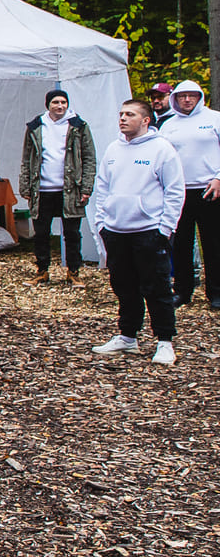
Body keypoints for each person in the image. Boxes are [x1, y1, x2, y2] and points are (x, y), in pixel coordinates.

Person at [90, 99, 183, 365]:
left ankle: (165, 341)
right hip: (116, 230)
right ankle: (128, 336)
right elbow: (103, 187)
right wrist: (102, 224)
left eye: (129, 114)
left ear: (145, 120)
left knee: (157, 287)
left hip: (149, 231)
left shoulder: (162, 149)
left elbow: (174, 190)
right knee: (124, 287)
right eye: (120, 114)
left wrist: (165, 228)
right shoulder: (113, 149)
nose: (122, 118)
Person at [20, 89, 97, 286]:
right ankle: (42, 271)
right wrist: (26, 187)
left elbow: (89, 157)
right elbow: (27, 157)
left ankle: (73, 271)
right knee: (41, 233)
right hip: (43, 188)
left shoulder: (79, 126)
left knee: (72, 233)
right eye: (56, 102)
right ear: (48, 105)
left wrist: (87, 187)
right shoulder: (36, 126)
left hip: (71, 189)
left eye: (63, 102)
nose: (60, 106)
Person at [155, 79, 220, 309]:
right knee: (181, 243)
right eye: (182, 96)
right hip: (179, 191)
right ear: (175, 99)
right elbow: (161, 157)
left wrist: (218, 177)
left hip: (210, 190)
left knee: (213, 242)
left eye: (192, 96)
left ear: (200, 97)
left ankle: (215, 292)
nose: (187, 100)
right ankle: (182, 291)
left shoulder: (214, 119)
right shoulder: (169, 125)